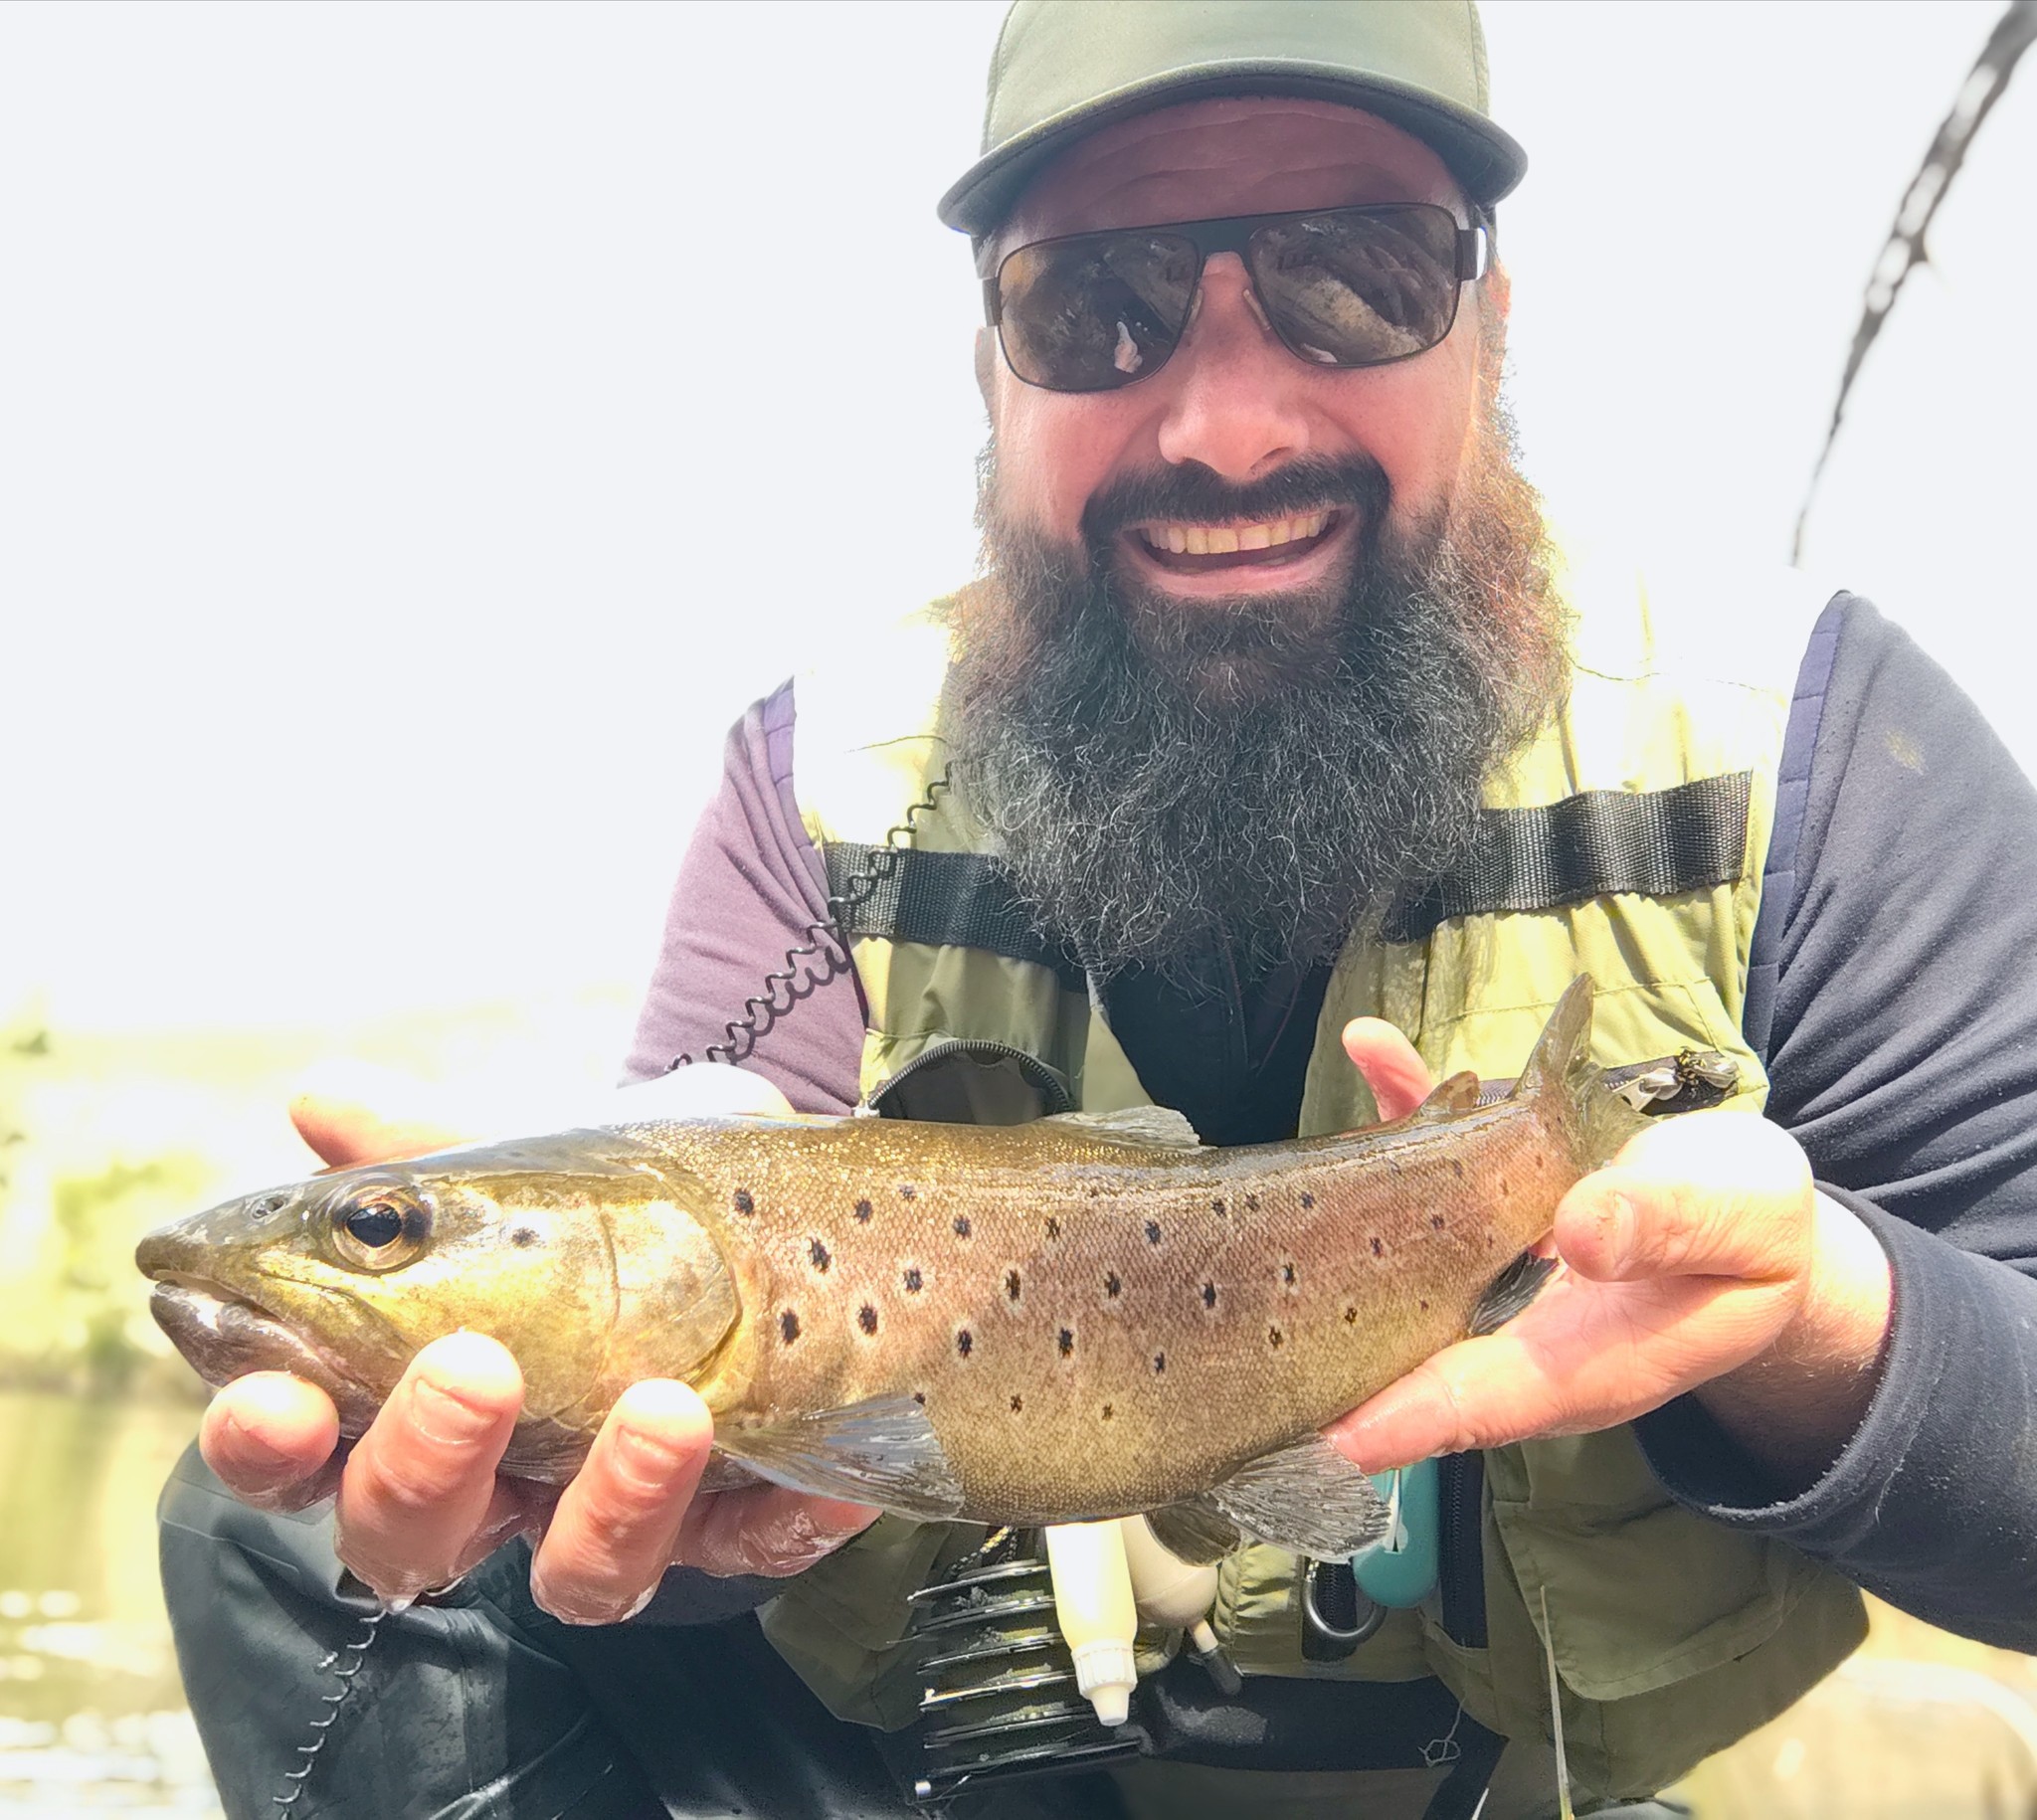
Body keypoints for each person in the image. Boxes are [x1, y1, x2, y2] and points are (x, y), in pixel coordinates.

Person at [160, 4, 2037, 1817]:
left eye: (1356, 273)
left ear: (1494, 324)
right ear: (988, 369)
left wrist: (1816, 1327)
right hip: (924, 1787)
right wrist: (654, 1499)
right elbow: (715, 1183)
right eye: (1098, 306)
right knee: (287, 1527)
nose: (1223, 422)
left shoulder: (1815, 747)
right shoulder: (822, 791)